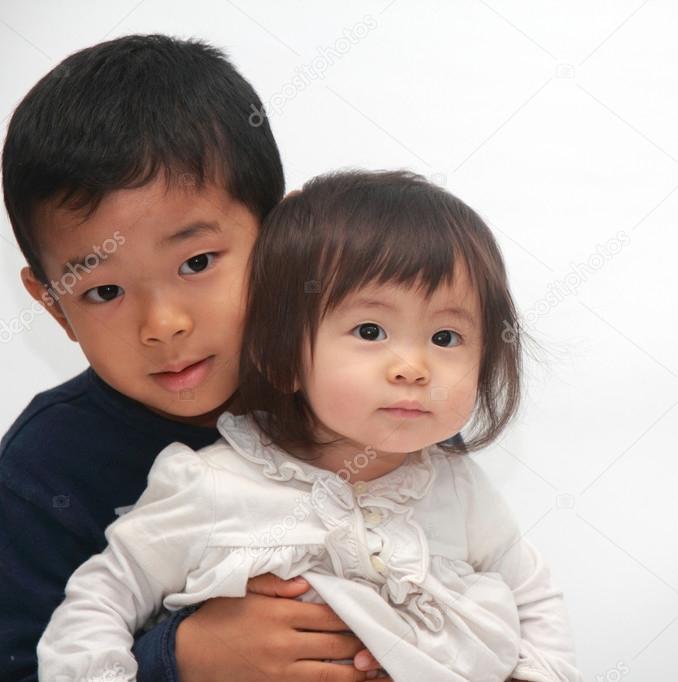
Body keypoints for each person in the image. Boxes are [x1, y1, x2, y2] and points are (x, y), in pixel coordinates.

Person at [37, 170, 581, 682]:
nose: (413, 368)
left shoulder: (456, 486)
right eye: (370, 330)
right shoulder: (213, 485)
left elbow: (532, 594)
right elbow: (100, 599)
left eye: (445, 338)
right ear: (283, 359)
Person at [0, 34, 387, 680]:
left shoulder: (365, 387)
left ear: (283, 240)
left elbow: (478, 557)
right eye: (104, 291)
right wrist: (177, 658)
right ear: (54, 306)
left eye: (197, 262)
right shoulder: (46, 472)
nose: (163, 325)